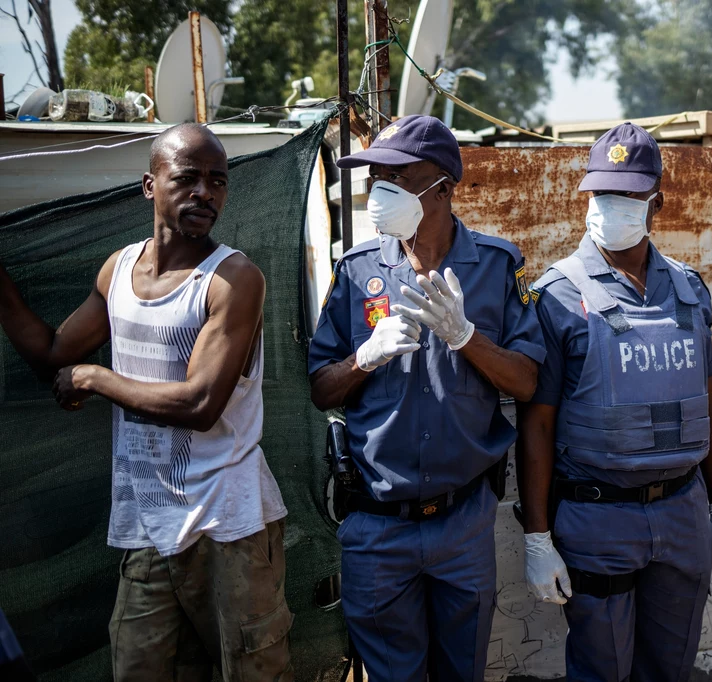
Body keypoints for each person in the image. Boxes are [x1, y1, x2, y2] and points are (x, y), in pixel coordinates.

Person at [0, 123, 293, 681]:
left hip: (228, 524)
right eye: (187, 178)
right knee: (138, 666)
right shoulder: (120, 270)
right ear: (149, 185)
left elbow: (201, 403)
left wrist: (94, 378)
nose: (205, 193)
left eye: (218, 181)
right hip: (150, 524)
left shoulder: (232, 278)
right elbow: (52, 354)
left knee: (253, 669)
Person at [308, 114, 546, 682]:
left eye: (396, 176)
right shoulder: (358, 270)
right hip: (376, 525)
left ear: (442, 185)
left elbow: (527, 382)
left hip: (463, 521)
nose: (379, 190)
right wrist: (364, 359)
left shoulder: (496, 266)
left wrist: (468, 339)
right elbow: (320, 388)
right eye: (375, 176)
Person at [516, 122, 712, 682]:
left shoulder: (690, 289)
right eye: (601, 195)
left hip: (682, 512)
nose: (610, 208)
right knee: (602, 671)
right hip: (599, 517)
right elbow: (537, 425)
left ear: (656, 204)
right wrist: (538, 538)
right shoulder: (558, 294)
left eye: (627, 196)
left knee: (669, 668)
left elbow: (707, 405)